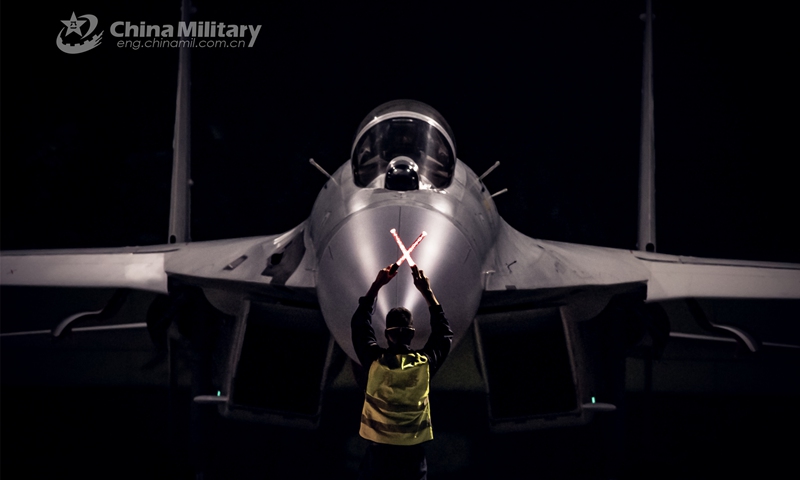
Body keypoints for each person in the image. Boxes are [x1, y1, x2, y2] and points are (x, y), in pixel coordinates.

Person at [351, 263, 453, 480]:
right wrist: (428, 293)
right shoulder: (423, 364)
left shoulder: (375, 363)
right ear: (412, 333)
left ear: (387, 335)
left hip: (378, 456)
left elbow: (360, 325)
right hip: (412, 456)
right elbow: (444, 335)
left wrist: (377, 285)